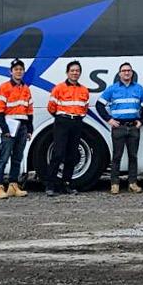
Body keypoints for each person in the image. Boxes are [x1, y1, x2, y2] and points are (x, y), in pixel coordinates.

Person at [97, 61, 143, 194]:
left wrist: (141, 122)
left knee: (133, 156)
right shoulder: (112, 89)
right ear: (119, 74)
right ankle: (115, 184)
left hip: (133, 127)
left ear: (132, 73)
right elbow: (99, 105)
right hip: (118, 127)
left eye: (129, 70)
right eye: (124, 71)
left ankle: (132, 183)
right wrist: (109, 120)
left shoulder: (139, 89)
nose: (126, 73)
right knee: (116, 157)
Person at [45, 60, 90, 197]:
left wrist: (76, 118)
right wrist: (61, 117)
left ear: (80, 73)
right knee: (58, 154)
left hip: (77, 122)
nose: (75, 73)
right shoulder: (59, 88)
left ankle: (67, 184)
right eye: (72, 70)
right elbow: (51, 107)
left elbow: (85, 108)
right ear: (67, 72)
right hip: (62, 122)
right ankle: (50, 185)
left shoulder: (84, 90)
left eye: (77, 71)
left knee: (72, 155)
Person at [0, 59, 33, 199]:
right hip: (9, 128)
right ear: (11, 72)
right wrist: (5, 129)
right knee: (3, 158)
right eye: (16, 69)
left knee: (17, 158)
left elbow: (29, 111)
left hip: (22, 127)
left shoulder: (26, 89)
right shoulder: (4, 87)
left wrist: (29, 129)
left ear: (24, 71)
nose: (18, 71)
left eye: (21, 69)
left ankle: (13, 186)